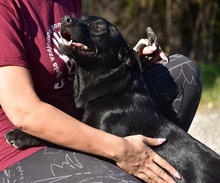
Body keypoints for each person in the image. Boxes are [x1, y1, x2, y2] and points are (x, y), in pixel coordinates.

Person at [0, 1, 202, 183]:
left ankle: (154, 169)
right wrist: (121, 150)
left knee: (183, 72)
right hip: (22, 143)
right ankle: (130, 167)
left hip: (83, 115)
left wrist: (127, 58)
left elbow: (81, 54)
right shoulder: (6, 8)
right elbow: (24, 113)